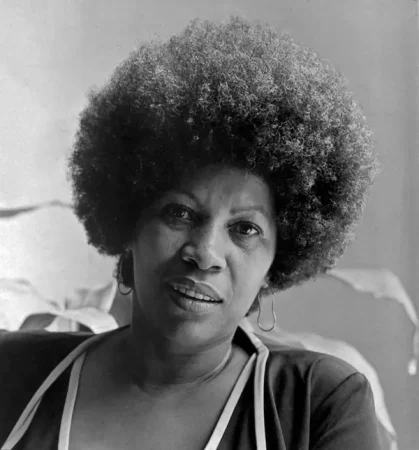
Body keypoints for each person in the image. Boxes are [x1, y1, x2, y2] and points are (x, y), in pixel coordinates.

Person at [0, 16, 383, 450]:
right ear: (130, 222)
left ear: (279, 258)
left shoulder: (317, 403)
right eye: (179, 213)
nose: (204, 253)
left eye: (245, 229)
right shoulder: (12, 373)